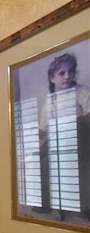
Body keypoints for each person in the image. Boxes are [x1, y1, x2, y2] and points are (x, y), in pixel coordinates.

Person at [38, 52, 90, 222]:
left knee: (81, 166)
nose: (67, 76)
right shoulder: (51, 101)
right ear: (52, 78)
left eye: (70, 71)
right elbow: (44, 127)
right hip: (58, 139)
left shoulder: (81, 91)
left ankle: (83, 206)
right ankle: (56, 205)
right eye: (61, 73)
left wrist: (78, 118)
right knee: (47, 162)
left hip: (80, 136)